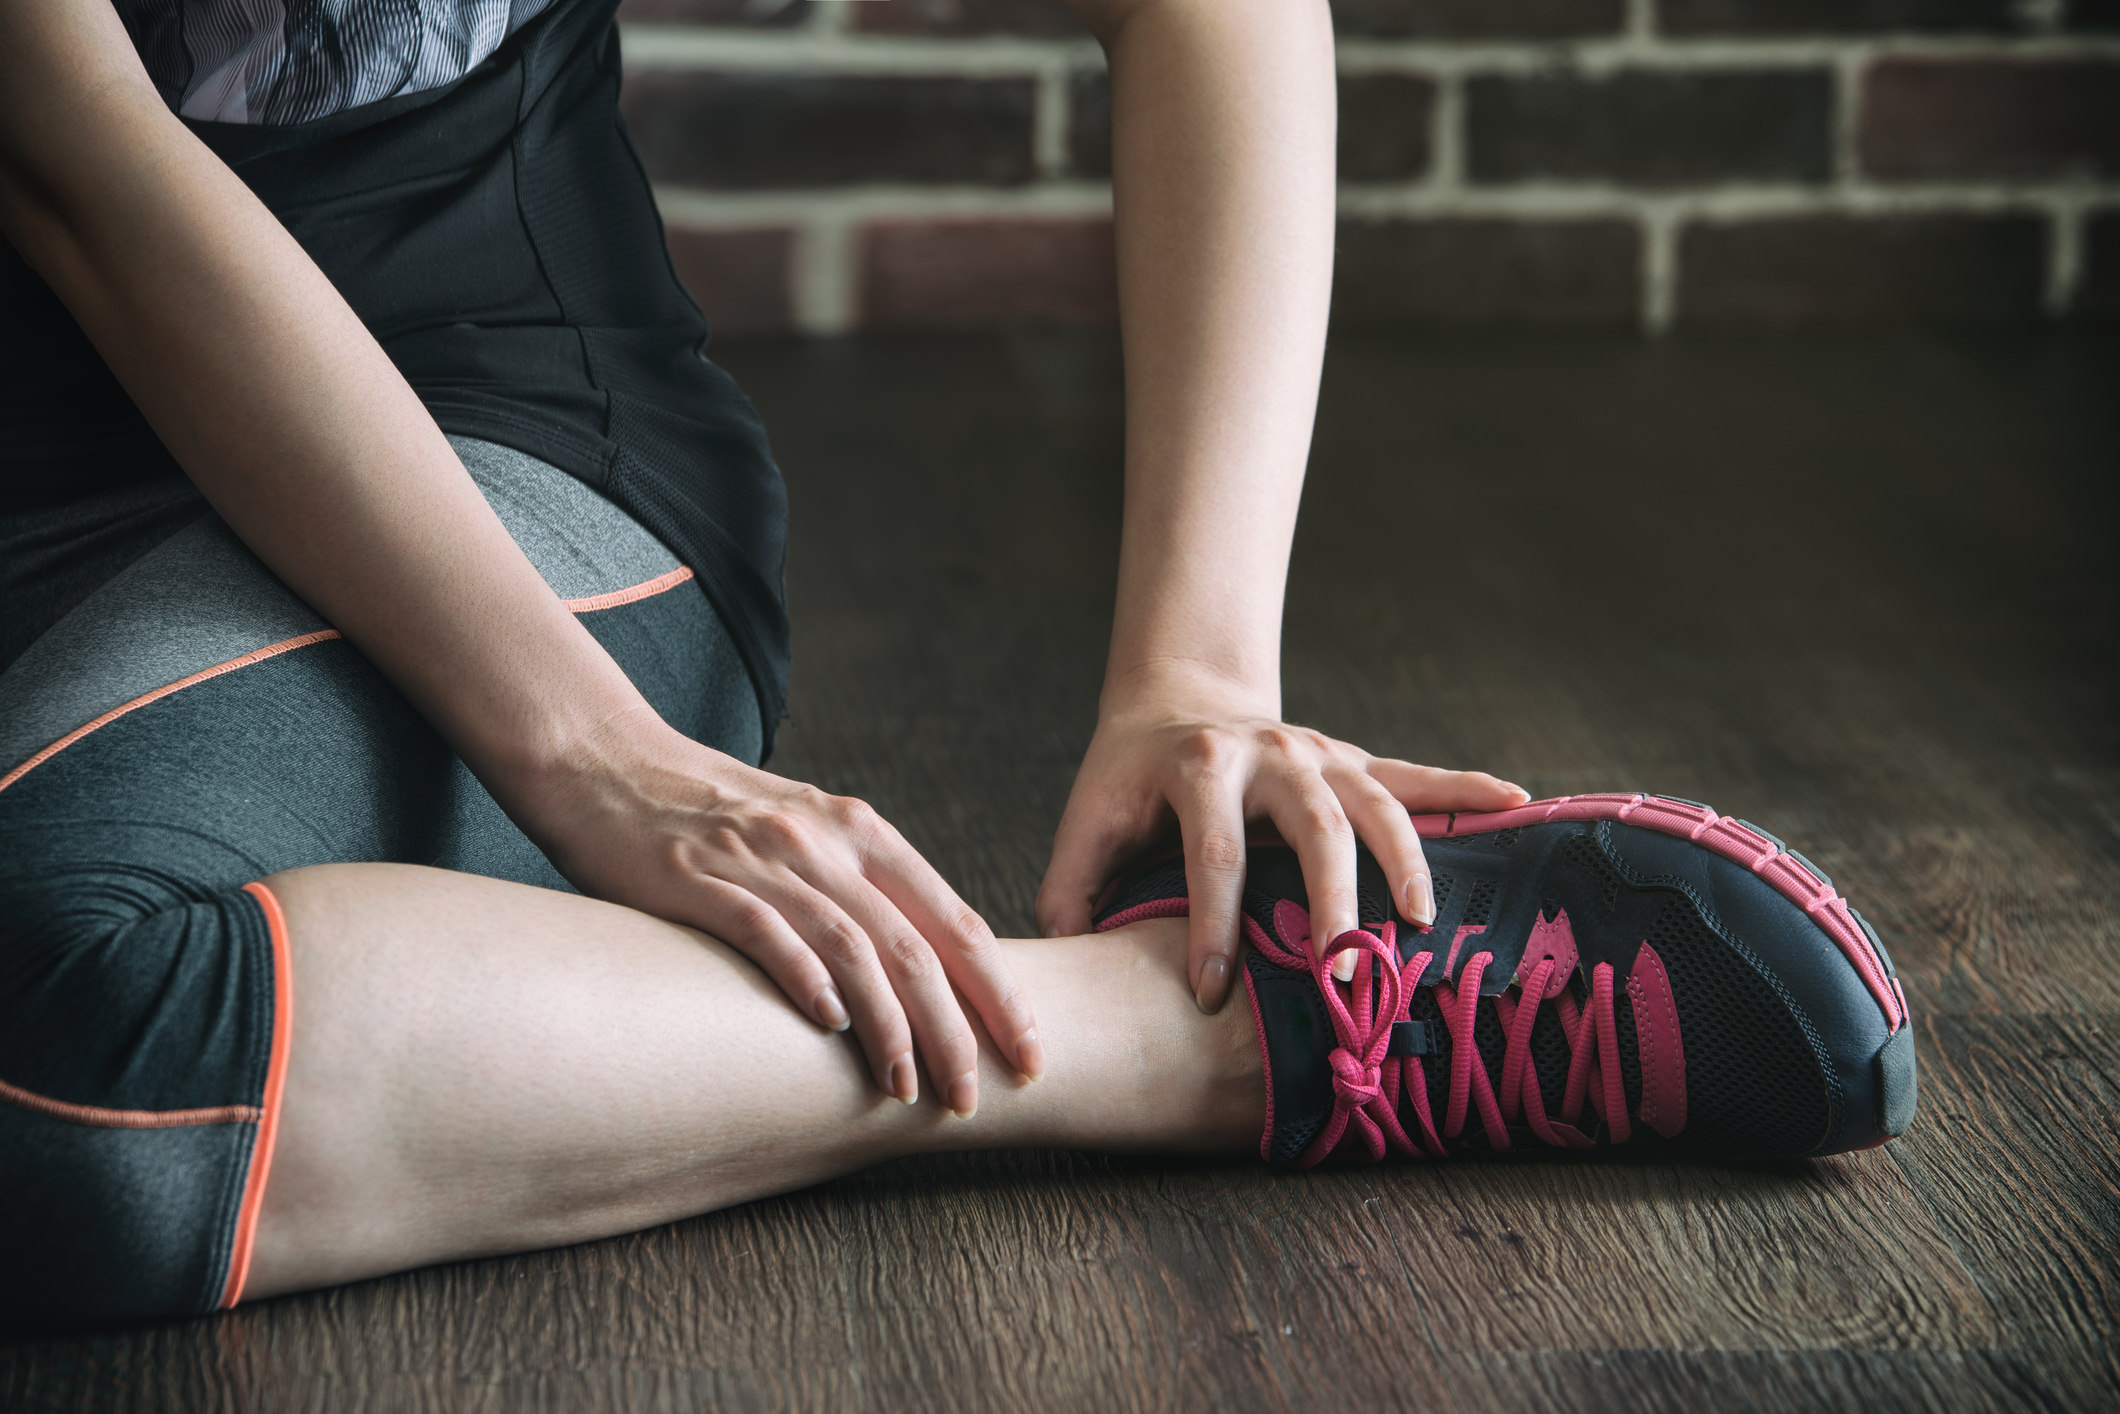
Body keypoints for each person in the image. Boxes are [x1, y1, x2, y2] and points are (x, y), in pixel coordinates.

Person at [0, 0, 1914, 1330]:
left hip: (481, 468)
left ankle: (1200, 1033)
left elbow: (78, 153)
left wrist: (1197, 673)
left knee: (60, 1043)